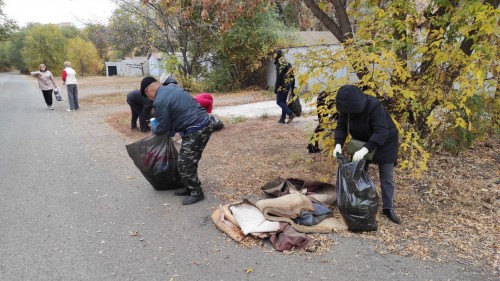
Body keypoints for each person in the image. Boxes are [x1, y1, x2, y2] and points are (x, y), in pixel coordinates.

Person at [140, 76, 214, 205]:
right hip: (201, 124)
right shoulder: (172, 88)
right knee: (188, 159)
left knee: (184, 162)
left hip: (197, 128)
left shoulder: (159, 100)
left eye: (147, 96)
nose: (149, 99)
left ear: (148, 90)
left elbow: (163, 128)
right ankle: (189, 187)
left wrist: (155, 128)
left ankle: (197, 192)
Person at [332, 85, 401, 224]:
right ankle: (356, 203)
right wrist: (338, 143)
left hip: (385, 141)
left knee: (386, 177)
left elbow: (381, 130)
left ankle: (388, 208)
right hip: (361, 141)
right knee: (356, 172)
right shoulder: (346, 109)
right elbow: (341, 127)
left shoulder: (374, 106)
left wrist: (365, 149)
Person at [274, 50, 296, 124]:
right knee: (283, 101)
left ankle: (290, 114)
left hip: (281, 85)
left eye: (275, 55)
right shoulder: (287, 63)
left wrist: (276, 88)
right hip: (288, 84)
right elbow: (292, 75)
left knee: (279, 101)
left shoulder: (279, 64)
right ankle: (282, 119)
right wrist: (293, 87)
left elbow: (279, 77)